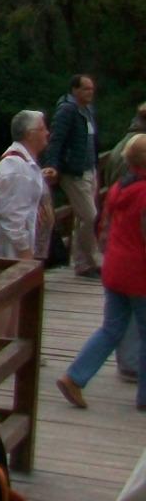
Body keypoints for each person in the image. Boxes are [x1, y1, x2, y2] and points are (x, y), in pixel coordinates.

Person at [54, 134, 146, 413]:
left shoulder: (119, 187)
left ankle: (74, 377)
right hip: (138, 272)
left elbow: (102, 226)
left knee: (111, 328)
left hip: (115, 267)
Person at [103, 102, 146, 380]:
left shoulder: (123, 146)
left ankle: (76, 375)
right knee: (135, 317)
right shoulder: (137, 150)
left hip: (116, 250)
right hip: (134, 254)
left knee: (115, 322)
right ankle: (132, 366)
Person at [45, 74, 103, 277]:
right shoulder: (66, 111)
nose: (90, 93)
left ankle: (81, 264)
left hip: (89, 169)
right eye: (86, 89)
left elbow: (92, 140)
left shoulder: (88, 110)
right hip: (74, 172)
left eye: (92, 89)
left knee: (83, 218)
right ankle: (95, 260)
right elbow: (56, 139)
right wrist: (52, 165)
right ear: (75, 90)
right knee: (89, 215)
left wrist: (95, 164)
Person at [0, 109, 53, 262]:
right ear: (30, 134)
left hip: (22, 250)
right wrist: (25, 252)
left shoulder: (24, 162)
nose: (47, 132)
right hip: (13, 254)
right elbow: (12, 218)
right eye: (42, 128)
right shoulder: (14, 167)